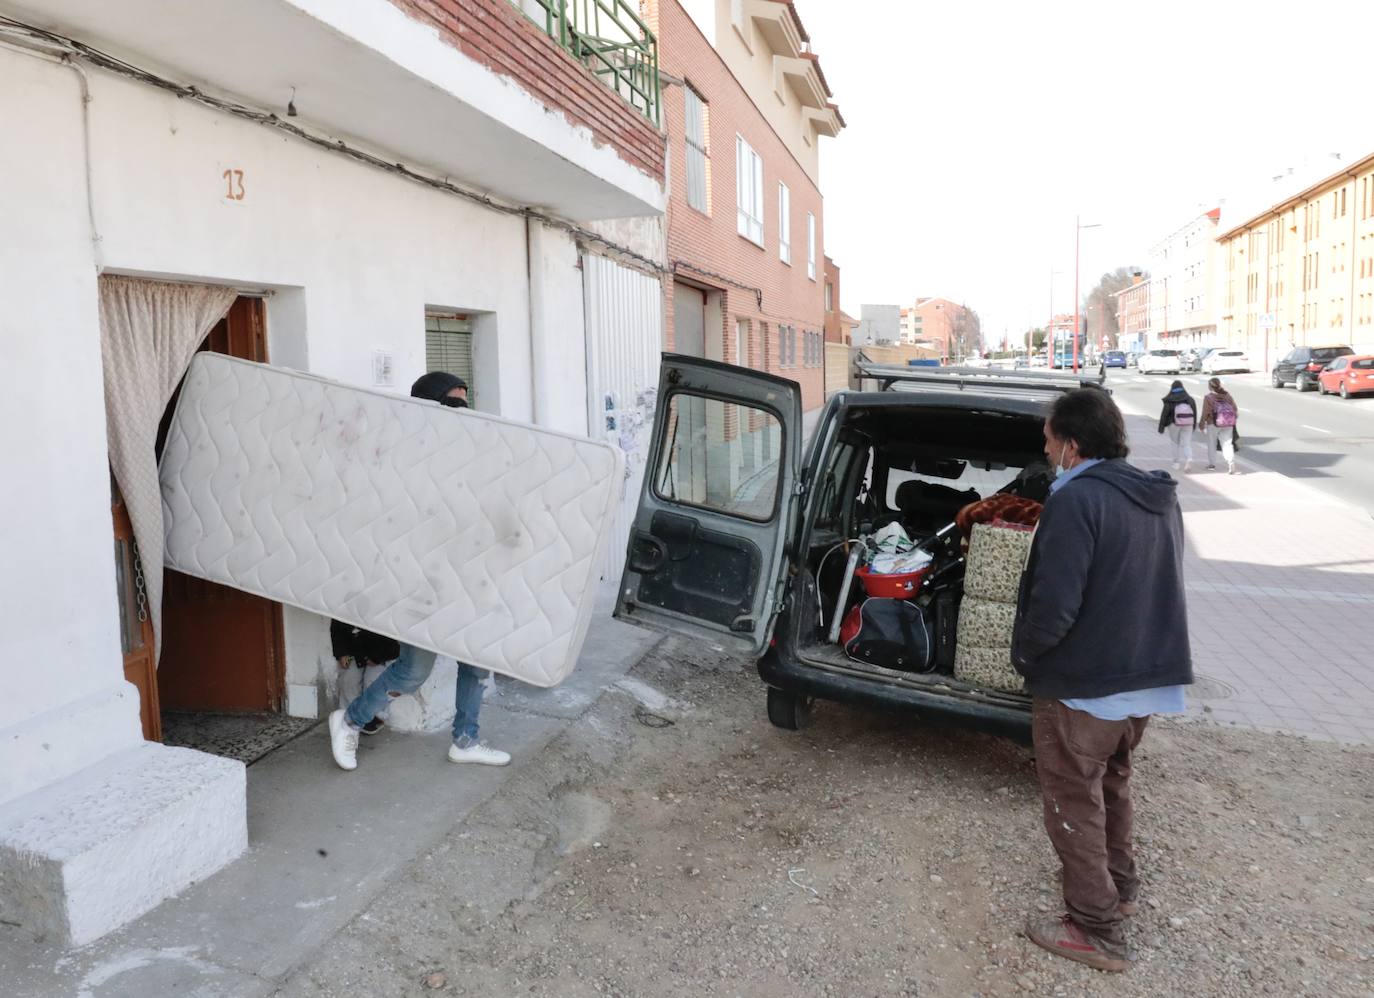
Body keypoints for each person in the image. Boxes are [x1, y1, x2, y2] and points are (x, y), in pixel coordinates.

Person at [1011, 388, 1193, 973]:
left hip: (1082, 684)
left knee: (1072, 799)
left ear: (1071, 443)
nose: (1046, 450)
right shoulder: (1157, 497)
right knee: (1111, 784)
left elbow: (1054, 605)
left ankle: (1097, 929)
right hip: (1143, 679)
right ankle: (1120, 885)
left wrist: (1024, 657)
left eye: (1048, 440)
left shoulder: (1077, 501)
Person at [328, 371, 510, 772]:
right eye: (453, 403)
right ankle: (350, 720)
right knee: (413, 671)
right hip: (423, 582)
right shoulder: (407, 457)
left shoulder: (469, 452)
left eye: (466, 402)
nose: (462, 411)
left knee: (477, 663)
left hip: (465, 574)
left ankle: (465, 739)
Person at [1156, 379, 1197, 472]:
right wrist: (1194, 425)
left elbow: (1164, 414)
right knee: (1187, 443)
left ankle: (1176, 463)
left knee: (1175, 443)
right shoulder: (1190, 399)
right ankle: (1189, 458)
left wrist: (1161, 427)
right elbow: (1194, 412)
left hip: (1173, 424)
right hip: (1188, 423)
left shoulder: (1170, 399)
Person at [1200, 377, 1239, 474]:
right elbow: (1234, 408)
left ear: (1210, 387)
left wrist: (1201, 423)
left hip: (1213, 423)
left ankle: (1212, 464)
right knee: (1227, 443)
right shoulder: (1227, 395)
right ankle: (1231, 463)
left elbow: (1206, 412)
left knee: (1211, 443)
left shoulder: (1208, 397)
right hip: (1228, 423)